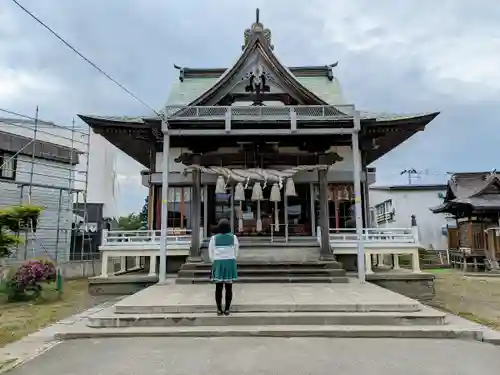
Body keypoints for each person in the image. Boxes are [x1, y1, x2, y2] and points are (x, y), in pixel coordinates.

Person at [208, 218, 239, 316]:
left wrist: (214, 261)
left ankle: (219, 309)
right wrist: (232, 259)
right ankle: (227, 309)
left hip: (218, 263)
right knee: (229, 288)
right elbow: (236, 251)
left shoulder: (214, 238)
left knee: (219, 287)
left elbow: (211, 252)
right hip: (230, 263)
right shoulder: (233, 237)